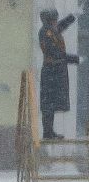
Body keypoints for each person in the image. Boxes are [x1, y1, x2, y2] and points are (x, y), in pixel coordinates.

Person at [38, 9, 79, 140]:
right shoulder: (45, 32)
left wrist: (72, 16)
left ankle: (50, 131)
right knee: (49, 104)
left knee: (52, 103)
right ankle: (48, 132)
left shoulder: (51, 30)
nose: (56, 21)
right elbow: (55, 53)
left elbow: (61, 26)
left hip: (56, 72)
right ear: (50, 20)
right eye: (55, 19)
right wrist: (75, 59)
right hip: (51, 71)